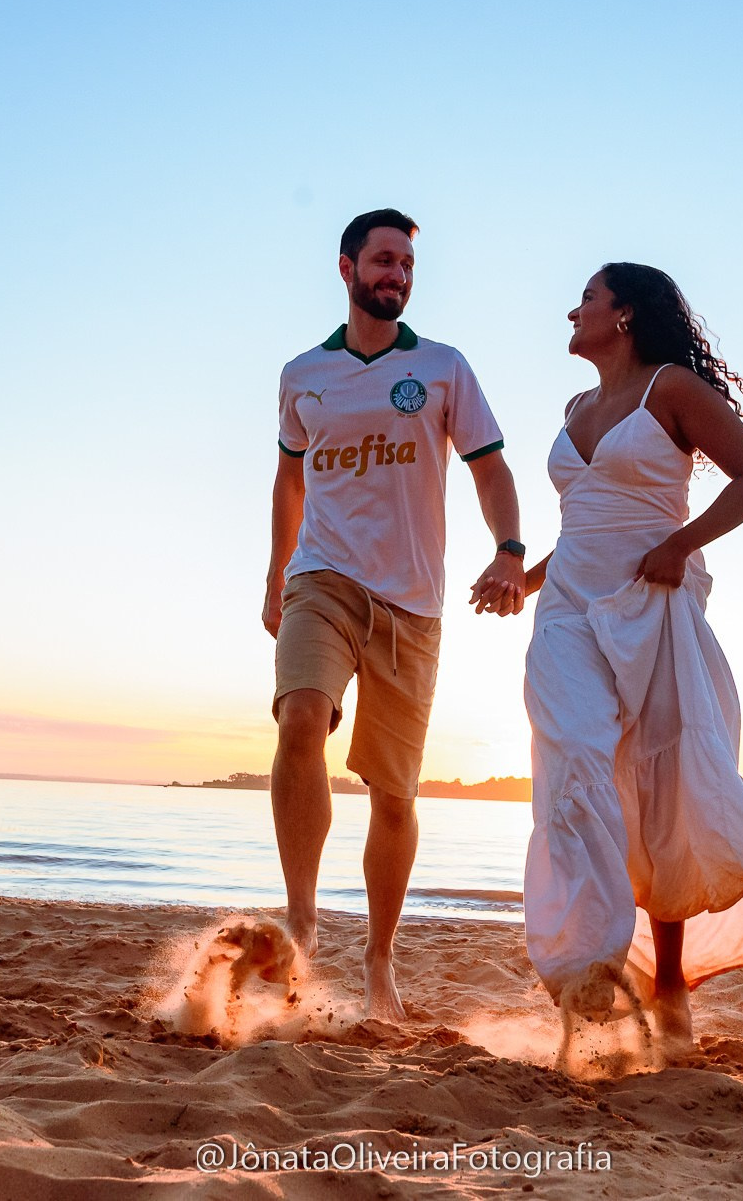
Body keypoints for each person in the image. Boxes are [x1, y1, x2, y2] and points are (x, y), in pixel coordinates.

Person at [520, 261, 743, 1059]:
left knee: (659, 792)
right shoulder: (576, 406)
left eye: (586, 297)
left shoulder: (672, 391)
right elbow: (584, 518)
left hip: (647, 604)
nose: (573, 308)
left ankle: (663, 981)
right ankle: (588, 967)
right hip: (566, 611)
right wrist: (525, 578)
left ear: (624, 313)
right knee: (578, 764)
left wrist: (680, 544)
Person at [264, 208, 527, 1020]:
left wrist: (510, 548)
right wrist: (277, 571)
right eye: (383, 261)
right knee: (301, 717)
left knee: (394, 793)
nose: (398, 276)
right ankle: (302, 921)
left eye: (407, 264)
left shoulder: (444, 368)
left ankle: (378, 958)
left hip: (413, 601)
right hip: (323, 578)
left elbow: (489, 469)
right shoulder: (303, 372)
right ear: (346, 269)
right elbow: (288, 479)